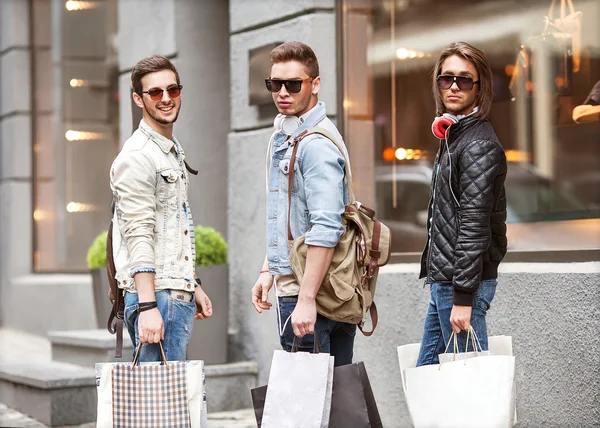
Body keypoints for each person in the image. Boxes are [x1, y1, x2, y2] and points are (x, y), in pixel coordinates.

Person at [250, 41, 356, 366]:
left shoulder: (314, 146)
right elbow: (289, 214)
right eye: (274, 84)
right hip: (317, 288)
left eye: (293, 84)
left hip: (309, 293)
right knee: (334, 398)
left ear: (315, 84)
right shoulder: (290, 137)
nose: (282, 92)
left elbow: (326, 226)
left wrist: (306, 298)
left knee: (305, 405)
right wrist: (270, 267)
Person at [110, 55, 213, 362]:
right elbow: (138, 234)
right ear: (138, 99)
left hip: (171, 293)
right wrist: (147, 306)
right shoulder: (138, 156)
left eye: (173, 90)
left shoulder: (169, 152)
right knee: (162, 405)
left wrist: (191, 283)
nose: (166, 99)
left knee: (169, 402)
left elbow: (171, 228)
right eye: (155, 92)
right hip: (157, 299)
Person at [416, 42, 507, 366]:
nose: (454, 86)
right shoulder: (455, 136)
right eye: (446, 79)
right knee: (427, 376)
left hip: (460, 285)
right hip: (446, 281)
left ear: (479, 87)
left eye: (465, 80)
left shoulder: (478, 143)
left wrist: (463, 298)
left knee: (473, 387)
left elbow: (473, 222)